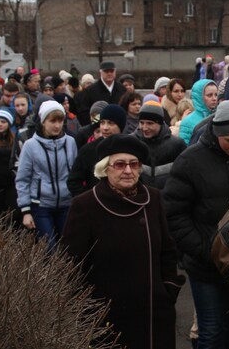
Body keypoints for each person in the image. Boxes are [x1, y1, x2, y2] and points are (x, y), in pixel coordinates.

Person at [61, 135, 186, 349]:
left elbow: (167, 249)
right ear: (105, 168)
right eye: (119, 164)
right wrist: (82, 308)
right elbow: (71, 263)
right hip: (106, 315)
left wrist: (169, 289)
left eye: (133, 164)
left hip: (153, 311)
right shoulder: (86, 205)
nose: (127, 170)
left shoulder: (153, 198)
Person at [164, 101, 229, 349]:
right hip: (205, 266)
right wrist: (205, 250)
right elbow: (174, 214)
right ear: (216, 132)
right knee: (211, 332)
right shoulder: (190, 161)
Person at [16, 100, 77, 252]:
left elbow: (75, 173)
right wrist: (26, 210)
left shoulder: (70, 142)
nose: (57, 125)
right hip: (41, 205)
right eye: (52, 121)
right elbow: (23, 179)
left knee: (68, 248)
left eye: (60, 121)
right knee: (50, 249)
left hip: (66, 203)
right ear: (43, 122)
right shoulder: (30, 145)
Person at [67, 104, 127, 196]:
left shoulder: (129, 148)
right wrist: (90, 200)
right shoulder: (88, 150)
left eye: (111, 123)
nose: (105, 128)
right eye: (102, 123)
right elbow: (73, 182)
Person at [134, 102, 186, 189]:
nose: (145, 128)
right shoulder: (132, 142)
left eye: (150, 123)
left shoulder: (177, 145)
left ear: (160, 123)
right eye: (142, 123)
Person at [77, 61, 126, 125]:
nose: (109, 74)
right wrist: (94, 126)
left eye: (112, 71)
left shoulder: (122, 89)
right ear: (101, 73)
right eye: (106, 71)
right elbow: (84, 112)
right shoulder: (91, 91)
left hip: (118, 127)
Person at [179, 79, 217, 144]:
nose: (214, 98)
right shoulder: (187, 122)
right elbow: (185, 149)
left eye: (216, 95)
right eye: (209, 95)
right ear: (199, 97)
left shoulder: (220, 116)